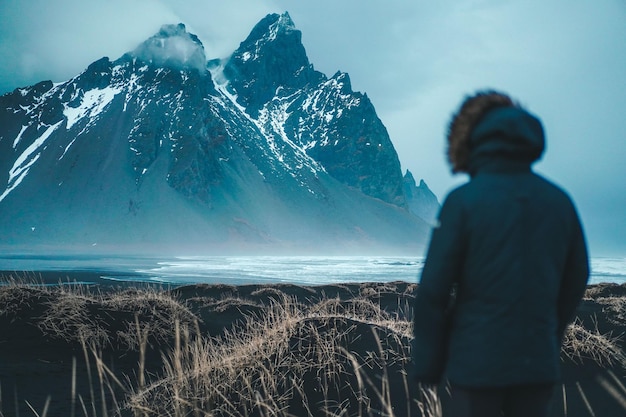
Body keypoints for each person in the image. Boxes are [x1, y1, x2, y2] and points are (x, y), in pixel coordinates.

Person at [412, 90, 589, 417]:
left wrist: (428, 364)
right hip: (537, 363)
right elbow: (578, 274)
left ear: (471, 139)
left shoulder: (463, 202)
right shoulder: (559, 202)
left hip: (477, 365)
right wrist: (550, 332)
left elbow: (433, 290)